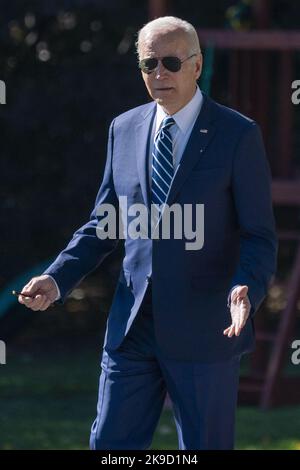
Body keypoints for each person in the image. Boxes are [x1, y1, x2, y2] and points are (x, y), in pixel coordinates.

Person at [18, 16, 277, 450]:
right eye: (149, 63)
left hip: (206, 328)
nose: (159, 74)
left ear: (196, 65)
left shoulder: (238, 135)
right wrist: (57, 277)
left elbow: (259, 235)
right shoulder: (124, 128)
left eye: (172, 62)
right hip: (131, 326)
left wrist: (245, 287)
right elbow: (105, 224)